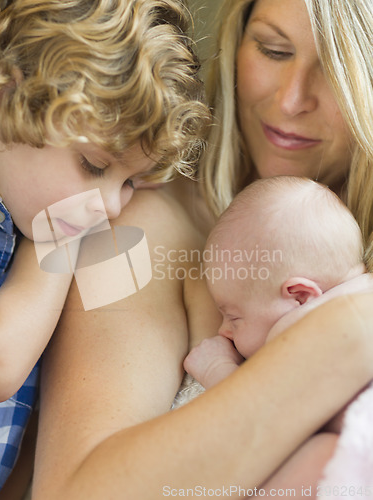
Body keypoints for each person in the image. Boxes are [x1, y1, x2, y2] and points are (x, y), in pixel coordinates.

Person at [32, 1, 373, 499]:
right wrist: (346, 333)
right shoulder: (137, 229)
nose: (292, 99)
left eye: (338, 64)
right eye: (272, 49)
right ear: (236, 45)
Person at [0, 0, 209, 498]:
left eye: (131, 182)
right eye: (94, 165)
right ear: (0, 100)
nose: (109, 205)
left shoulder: (16, 205)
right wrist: (63, 237)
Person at [184, 176, 372, 495]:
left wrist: (218, 369)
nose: (223, 330)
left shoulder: (306, 325)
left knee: (311, 460)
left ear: (299, 296)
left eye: (234, 316)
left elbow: (260, 415)